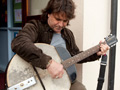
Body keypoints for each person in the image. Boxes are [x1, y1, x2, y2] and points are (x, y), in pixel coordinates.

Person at [11, 0, 110, 90]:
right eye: (58, 19)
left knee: (80, 88)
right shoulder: (35, 27)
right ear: (49, 14)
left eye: (65, 21)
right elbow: (19, 43)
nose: (61, 24)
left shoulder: (67, 34)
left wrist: (97, 52)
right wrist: (48, 63)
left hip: (60, 79)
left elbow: (74, 55)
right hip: (36, 77)